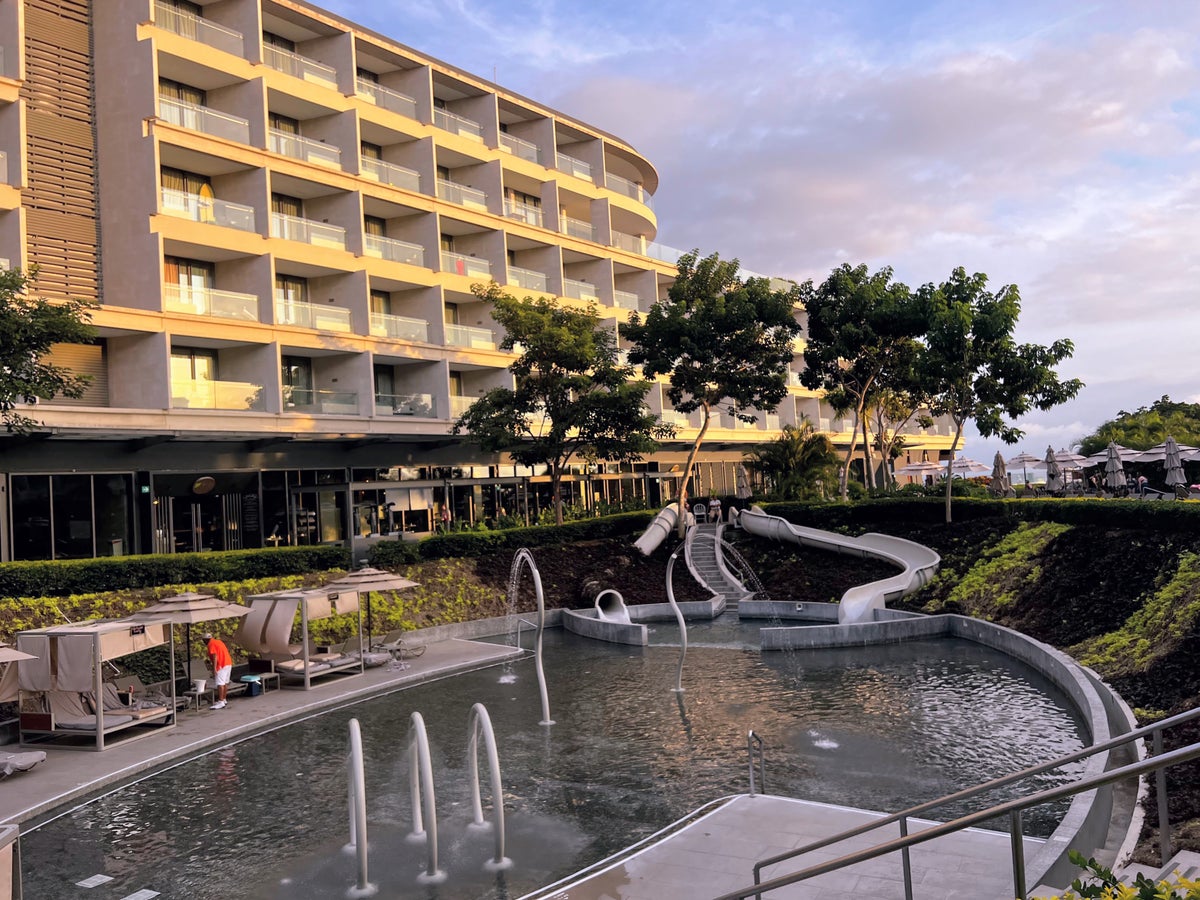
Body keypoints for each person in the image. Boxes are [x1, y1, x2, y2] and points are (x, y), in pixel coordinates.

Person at [203, 632, 233, 710]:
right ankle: (224, 699)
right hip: (228, 663)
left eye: (203, 640)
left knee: (220, 684)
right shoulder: (218, 641)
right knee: (225, 682)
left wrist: (214, 668)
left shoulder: (211, 644)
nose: (203, 642)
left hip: (221, 665)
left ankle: (220, 702)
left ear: (206, 640)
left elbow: (215, 656)